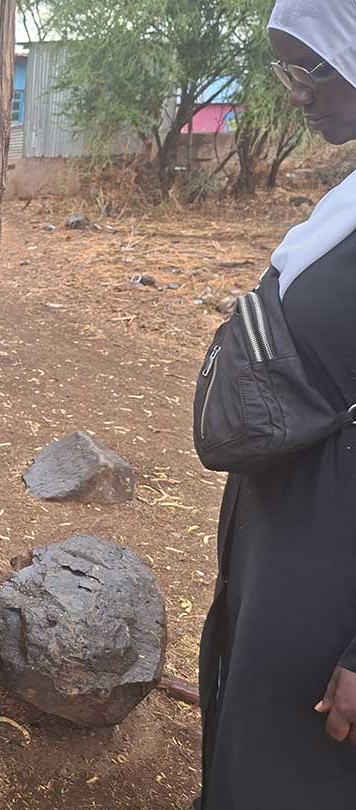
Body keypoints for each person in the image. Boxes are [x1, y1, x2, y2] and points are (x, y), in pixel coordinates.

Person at [197, 2, 356, 808]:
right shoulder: (347, 200)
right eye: (285, 72)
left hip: (334, 575)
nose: (296, 94)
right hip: (282, 543)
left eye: (309, 69)